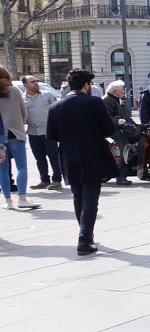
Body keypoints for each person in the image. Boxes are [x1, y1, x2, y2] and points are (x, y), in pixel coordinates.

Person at [46, 69, 116, 254]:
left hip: (68, 156)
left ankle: (86, 235)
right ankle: (84, 240)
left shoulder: (55, 107)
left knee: (78, 197)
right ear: (86, 85)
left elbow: (51, 136)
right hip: (92, 154)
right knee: (91, 198)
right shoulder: (94, 102)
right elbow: (109, 129)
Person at [0, 67, 38, 210]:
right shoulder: (14, 90)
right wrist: (20, 124)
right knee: (21, 166)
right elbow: (24, 111)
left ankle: (8, 201)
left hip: (0, 136)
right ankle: (22, 198)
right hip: (16, 132)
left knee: (2, 169)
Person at [21, 75, 61, 191]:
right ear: (25, 85)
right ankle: (44, 180)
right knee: (39, 158)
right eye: (32, 82)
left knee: (53, 156)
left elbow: (56, 110)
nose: (36, 83)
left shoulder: (46, 95)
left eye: (36, 81)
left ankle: (57, 180)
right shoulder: (22, 98)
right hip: (33, 132)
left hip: (48, 131)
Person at [103, 81, 134, 185]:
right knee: (124, 149)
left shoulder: (117, 99)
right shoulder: (107, 99)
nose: (124, 91)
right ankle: (120, 177)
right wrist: (119, 121)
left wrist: (136, 125)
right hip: (112, 130)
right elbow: (108, 116)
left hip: (119, 128)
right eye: (122, 89)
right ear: (115, 91)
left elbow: (126, 116)